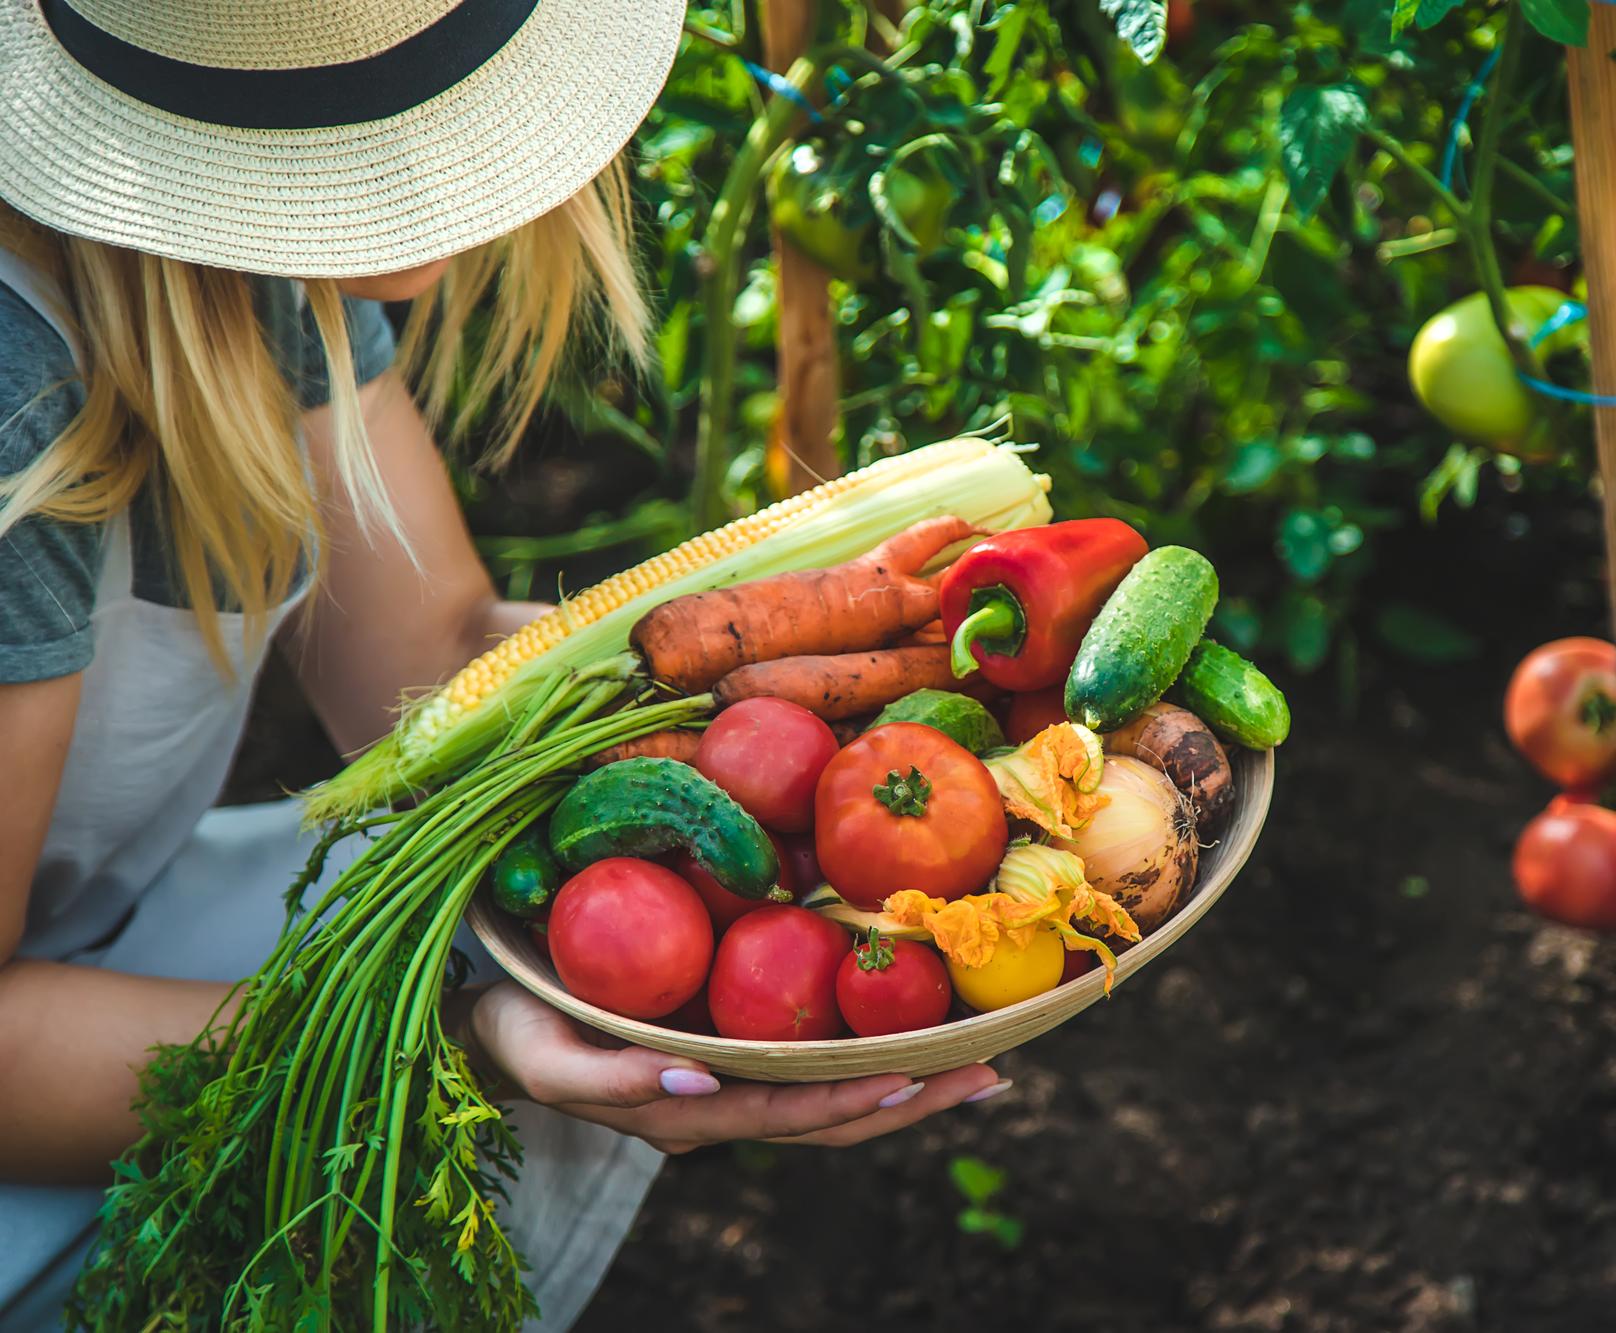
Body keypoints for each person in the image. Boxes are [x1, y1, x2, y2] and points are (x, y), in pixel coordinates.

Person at [0, 2, 1005, 1329]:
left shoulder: (230, 269)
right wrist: (456, 1049)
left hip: (101, 933)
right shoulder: (20, 402)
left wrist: (770, 667)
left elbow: (421, 666)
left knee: (501, 914)